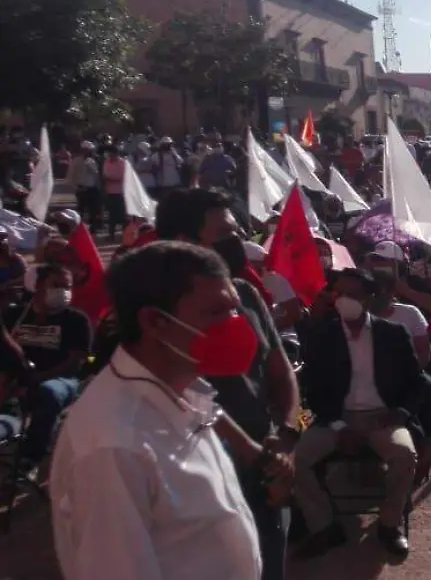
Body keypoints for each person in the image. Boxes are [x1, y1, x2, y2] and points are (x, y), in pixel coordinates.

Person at [50, 242, 262, 580]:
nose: (235, 324)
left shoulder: (186, 392)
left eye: (235, 310)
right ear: (154, 321)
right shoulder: (114, 443)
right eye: (217, 312)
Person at [155, 188, 302, 580]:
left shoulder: (247, 295)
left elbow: (281, 371)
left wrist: (287, 434)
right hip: (195, 475)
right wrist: (249, 450)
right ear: (185, 243)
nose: (237, 242)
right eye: (223, 233)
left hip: (265, 463)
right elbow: (181, 394)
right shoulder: (154, 315)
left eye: (236, 231)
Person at [292, 269, 425, 560]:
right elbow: (314, 392)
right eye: (339, 294)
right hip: (337, 419)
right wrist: (339, 426)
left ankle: (389, 526)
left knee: (404, 455)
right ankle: (324, 526)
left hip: (383, 418)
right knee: (297, 459)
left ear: (368, 299)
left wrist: (400, 413)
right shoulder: (323, 336)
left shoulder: (392, 334)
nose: (344, 301)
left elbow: (416, 384)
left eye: (352, 295)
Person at [1, 264, 90, 473]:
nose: (64, 291)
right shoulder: (15, 315)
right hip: (17, 375)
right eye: (57, 285)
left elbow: (75, 362)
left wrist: (37, 378)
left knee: (48, 393)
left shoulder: (76, 320)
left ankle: (31, 456)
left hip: (61, 379)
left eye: (68, 286)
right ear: (38, 286)